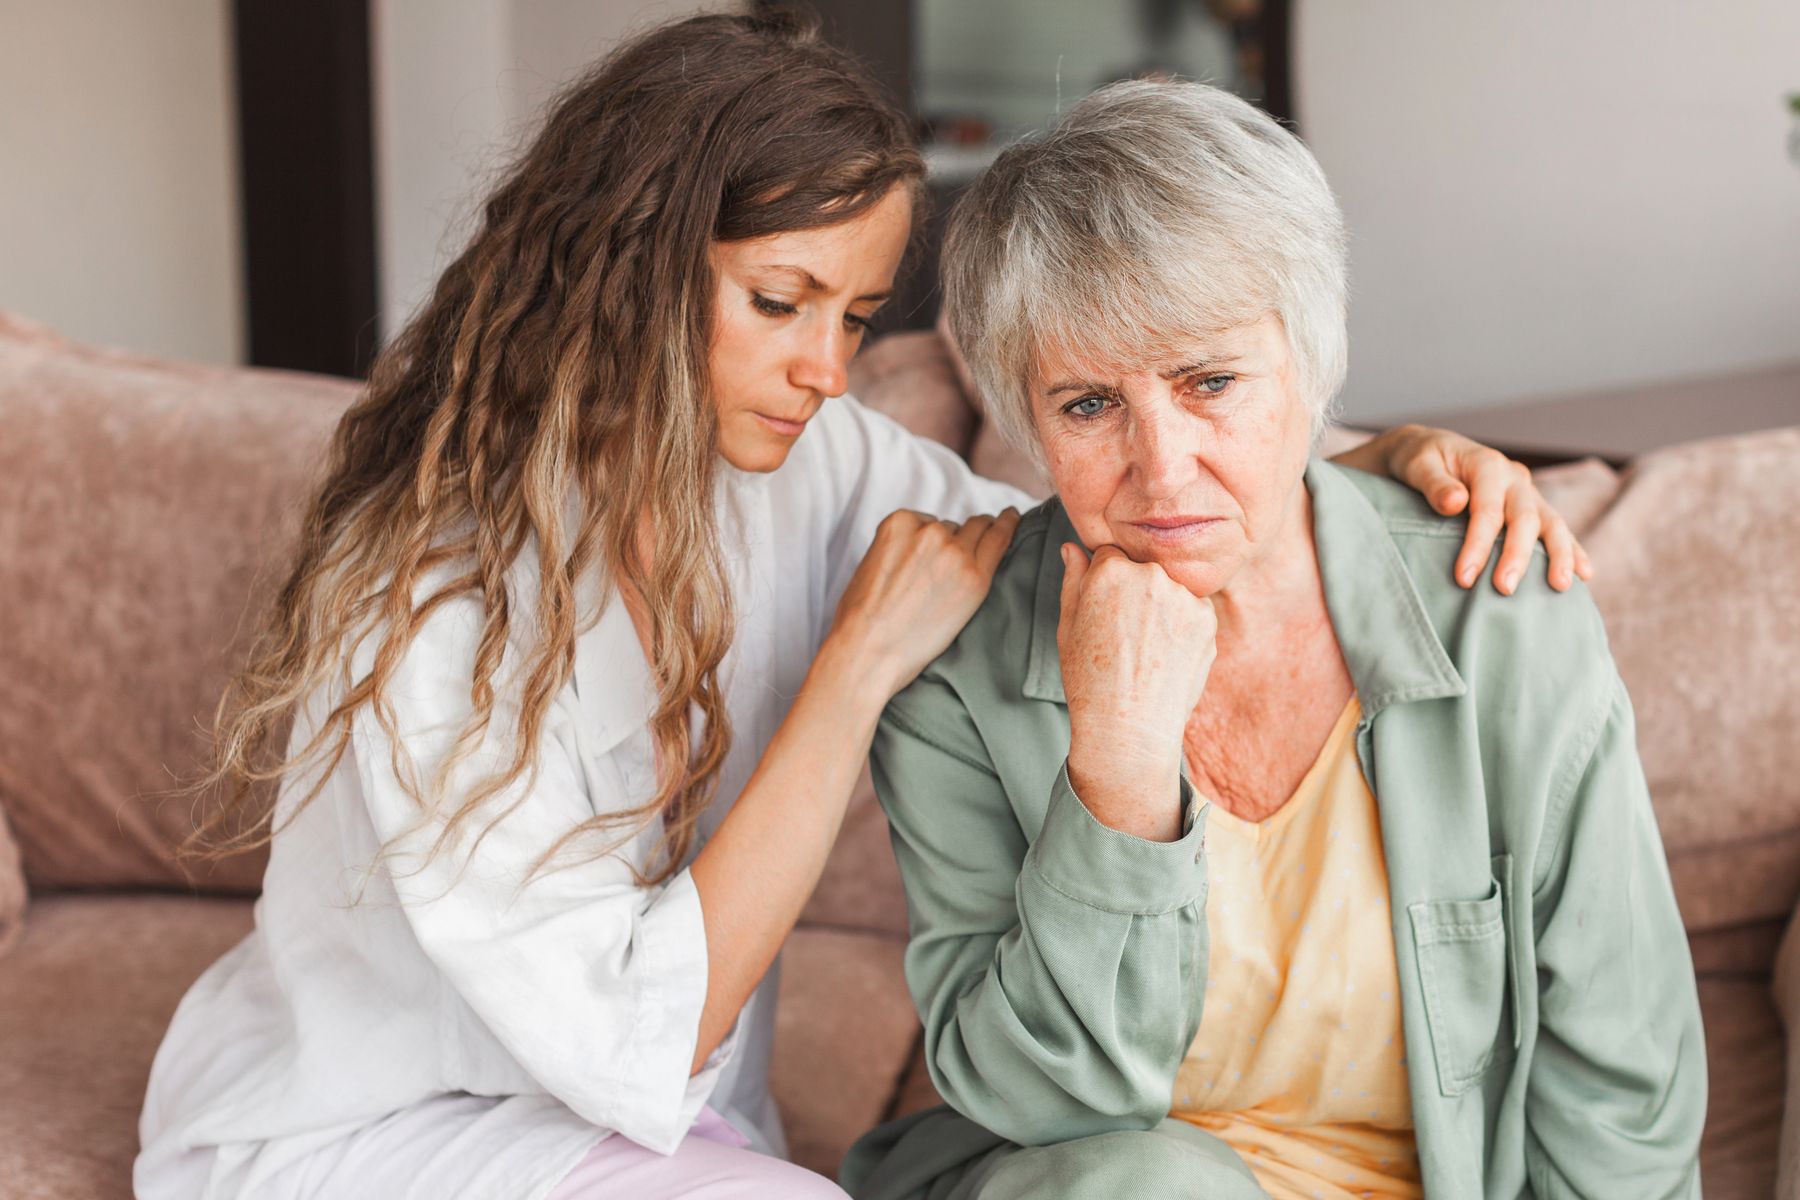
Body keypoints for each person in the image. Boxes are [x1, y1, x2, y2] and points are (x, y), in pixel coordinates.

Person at [134, 15, 1595, 1200]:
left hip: (651, 1134)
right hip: (369, 1133)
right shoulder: (430, 602)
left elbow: (1115, 500)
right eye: (778, 302)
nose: (826, 370)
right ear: (624, 270)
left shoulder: (806, 460)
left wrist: (1381, 462)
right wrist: (854, 670)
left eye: (855, 315)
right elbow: (651, 1027)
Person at [842, 80, 1703, 1200]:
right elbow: (1043, 1104)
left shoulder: (1498, 604)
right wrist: (1118, 771)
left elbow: (1620, 1071)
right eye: (1089, 404)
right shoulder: (956, 670)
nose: (1162, 469)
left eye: (1210, 382)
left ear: (1309, 365)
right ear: (1026, 414)